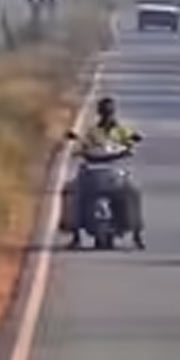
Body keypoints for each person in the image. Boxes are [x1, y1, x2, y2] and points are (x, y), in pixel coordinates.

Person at [66, 96, 145, 250]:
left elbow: (131, 140)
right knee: (72, 192)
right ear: (99, 113)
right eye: (104, 112)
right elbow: (81, 144)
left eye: (110, 112)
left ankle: (137, 234)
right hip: (92, 170)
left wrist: (131, 145)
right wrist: (78, 150)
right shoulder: (91, 131)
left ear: (114, 113)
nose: (107, 115)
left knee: (133, 193)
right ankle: (75, 236)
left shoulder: (122, 130)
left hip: (115, 171)